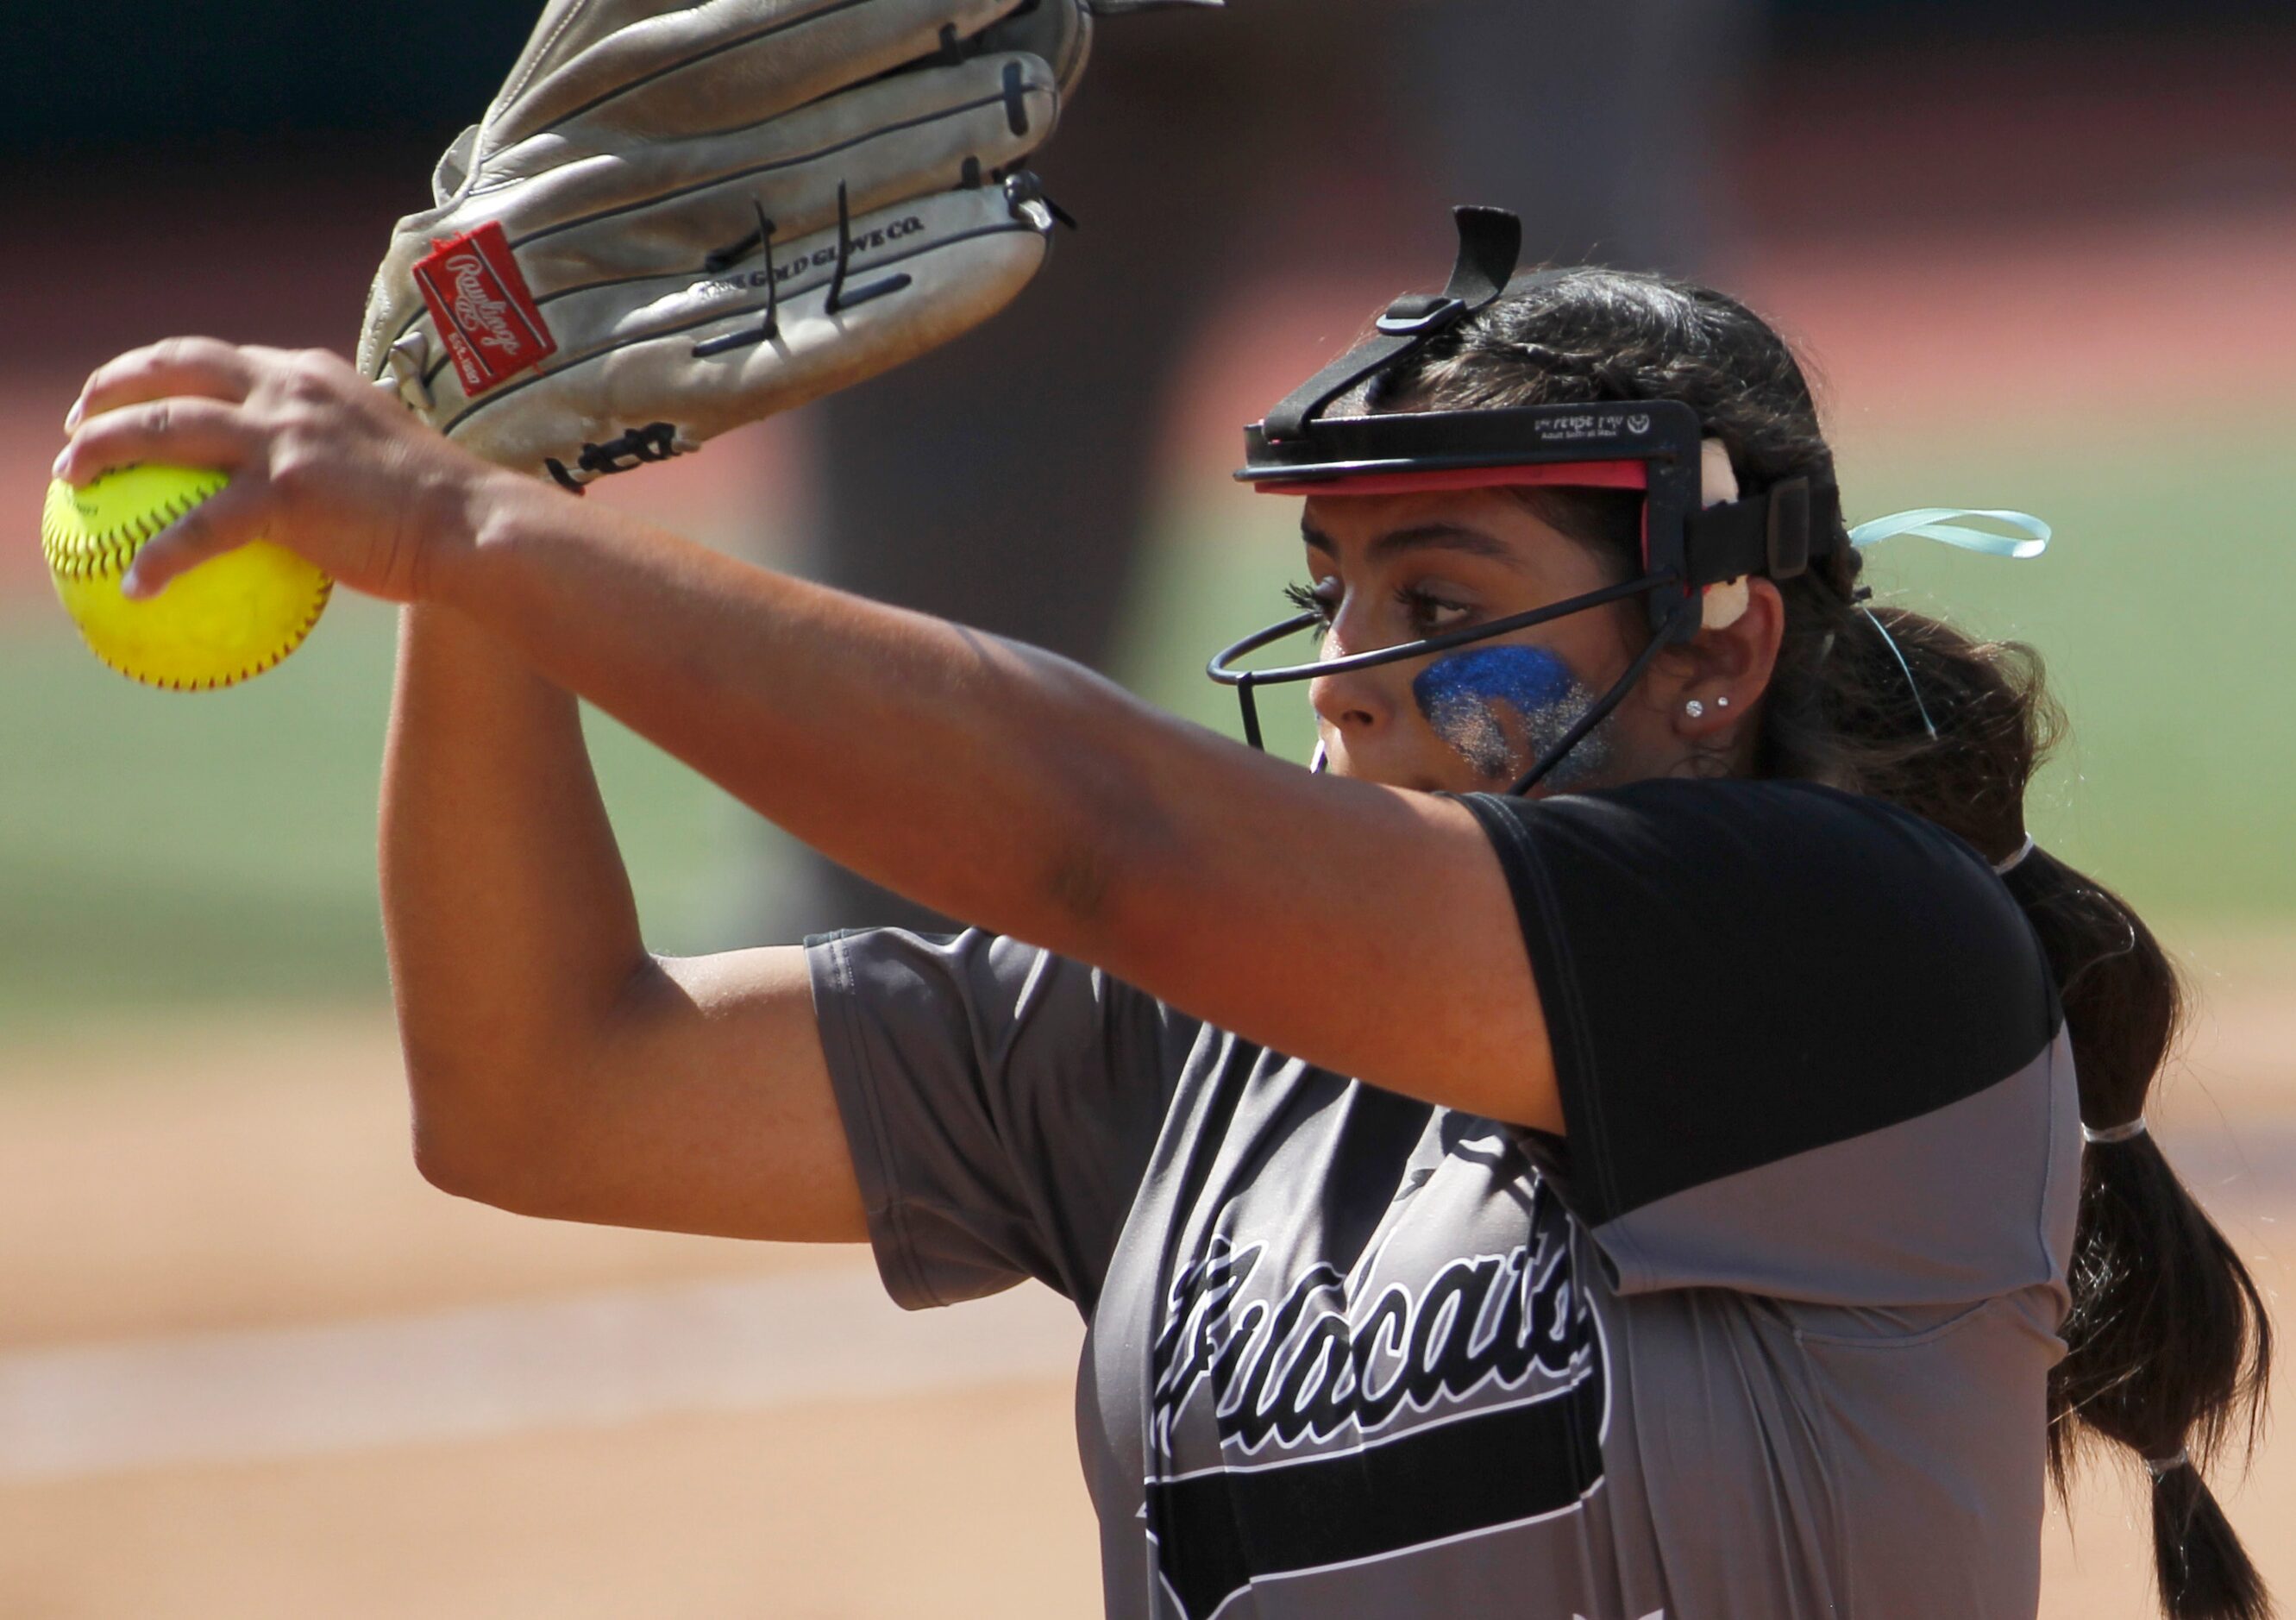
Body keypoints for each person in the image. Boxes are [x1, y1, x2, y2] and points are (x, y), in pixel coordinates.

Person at [54, 217, 2269, 1619]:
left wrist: (472, 538)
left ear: (1715, 653)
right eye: (1335, 601)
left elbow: (1100, 838)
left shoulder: (1846, 965)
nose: (1355, 671)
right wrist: (504, 493)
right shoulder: (1196, 1042)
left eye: (1448, 599)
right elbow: (540, 1088)